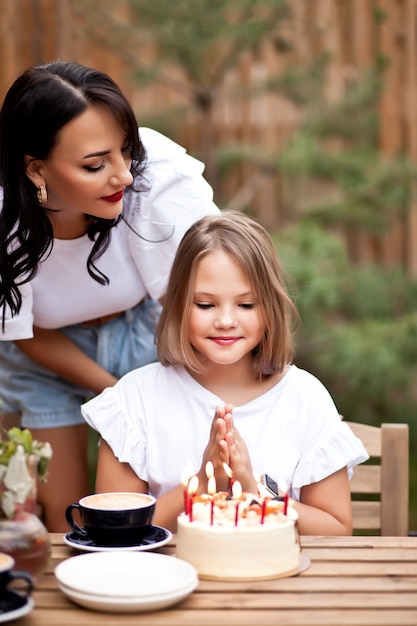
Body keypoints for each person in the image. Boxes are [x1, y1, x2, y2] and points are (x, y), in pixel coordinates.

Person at [0, 60, 220, 531]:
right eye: (96, 164)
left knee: (152, 505)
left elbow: (197, 295)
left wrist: (165, 392)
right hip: (44, 353)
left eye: (125, 151)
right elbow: (23, 331)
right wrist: (114, 392)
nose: (122, 176)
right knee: (63, 522)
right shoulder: (4, 218)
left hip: (145, 331)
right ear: (35, 168)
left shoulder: (153, 180)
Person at [82, 211, 369, 536]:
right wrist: (202, 483)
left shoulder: (305, 398)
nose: (226, 321)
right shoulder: (136, 398)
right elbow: (113, 532)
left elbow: (335, 529)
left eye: (246, 305)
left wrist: (253, 490)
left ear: (270, 309)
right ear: (178, 305)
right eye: (206, 305)